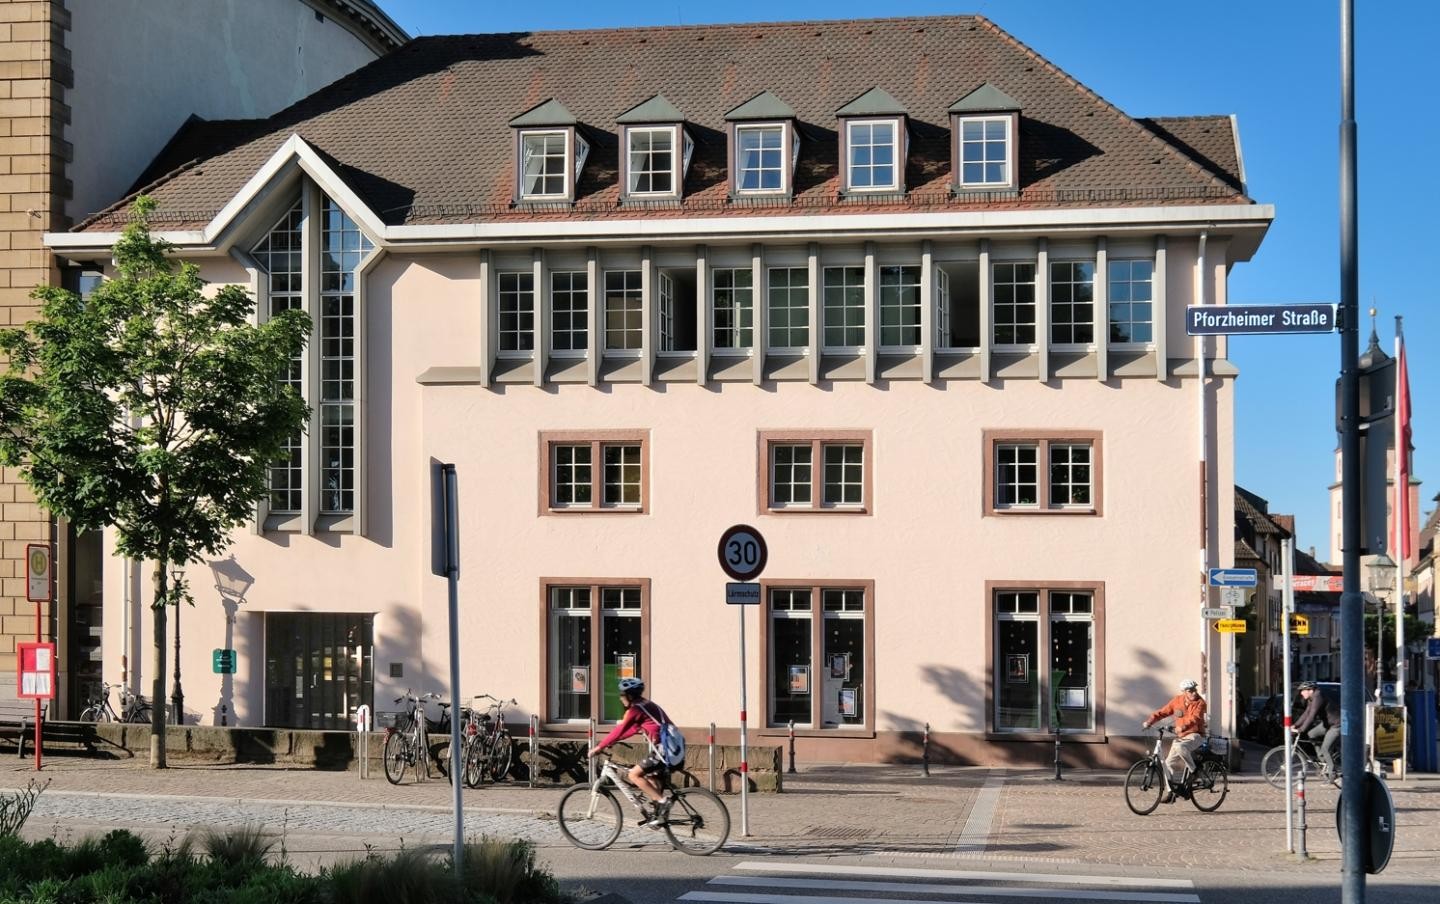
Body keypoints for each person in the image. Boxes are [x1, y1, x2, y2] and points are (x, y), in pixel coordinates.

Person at [587, 676, 675, 828]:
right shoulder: (645, 704)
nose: (620, 698)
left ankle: (663, 802)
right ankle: (659, 815)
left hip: (664, 749)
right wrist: (613, 741)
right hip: (672, 746)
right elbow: (631, 729)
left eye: (622, 695)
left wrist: (599, 747)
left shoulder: (635, 709)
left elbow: (620, 729)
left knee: (633, 774)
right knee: (651, 777)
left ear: (629, 695)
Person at [1142, 678, 1208, 803]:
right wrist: (1150, 721)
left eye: (1195, 689)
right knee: (1168, 765)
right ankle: (1171, 793)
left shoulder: (1201, 703)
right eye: (1191, 690)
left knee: (1180, 747)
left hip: (1196, 735)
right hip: (1181, 737)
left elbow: (1195, 718)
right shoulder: (1177, 701)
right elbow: (1162, 712)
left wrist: (1182, 727)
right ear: (1184, 692)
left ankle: (1195, 771)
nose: (1194, 692)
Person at [1292, 681, 1340, 777]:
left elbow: (1311, 716)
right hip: (1327, 724)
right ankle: (1322, 759)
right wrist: (1295, 725)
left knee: (1325, 749)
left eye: (1303, 691)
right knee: (1311, 734)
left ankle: (1332, 773)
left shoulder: (1318, 697)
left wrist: (1301, 729)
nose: (1301, 693)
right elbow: (1306, 713)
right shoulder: (1311, 699)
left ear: (1310, 690)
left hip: (1336, 725)